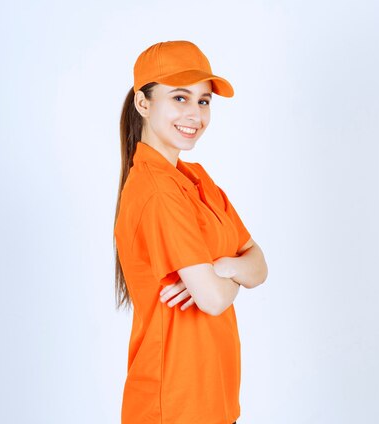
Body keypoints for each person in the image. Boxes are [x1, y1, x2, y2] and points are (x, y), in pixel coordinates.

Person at [113, 40, 268, 424]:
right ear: (143, 104)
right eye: (180, 98)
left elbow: (259, 266)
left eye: (203, 101)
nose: (195, 114)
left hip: (215, 400)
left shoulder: (196, 180)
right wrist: (228, 274)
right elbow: (214, 301)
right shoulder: (156, 189)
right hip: (174, 406)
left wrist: (220, 267)